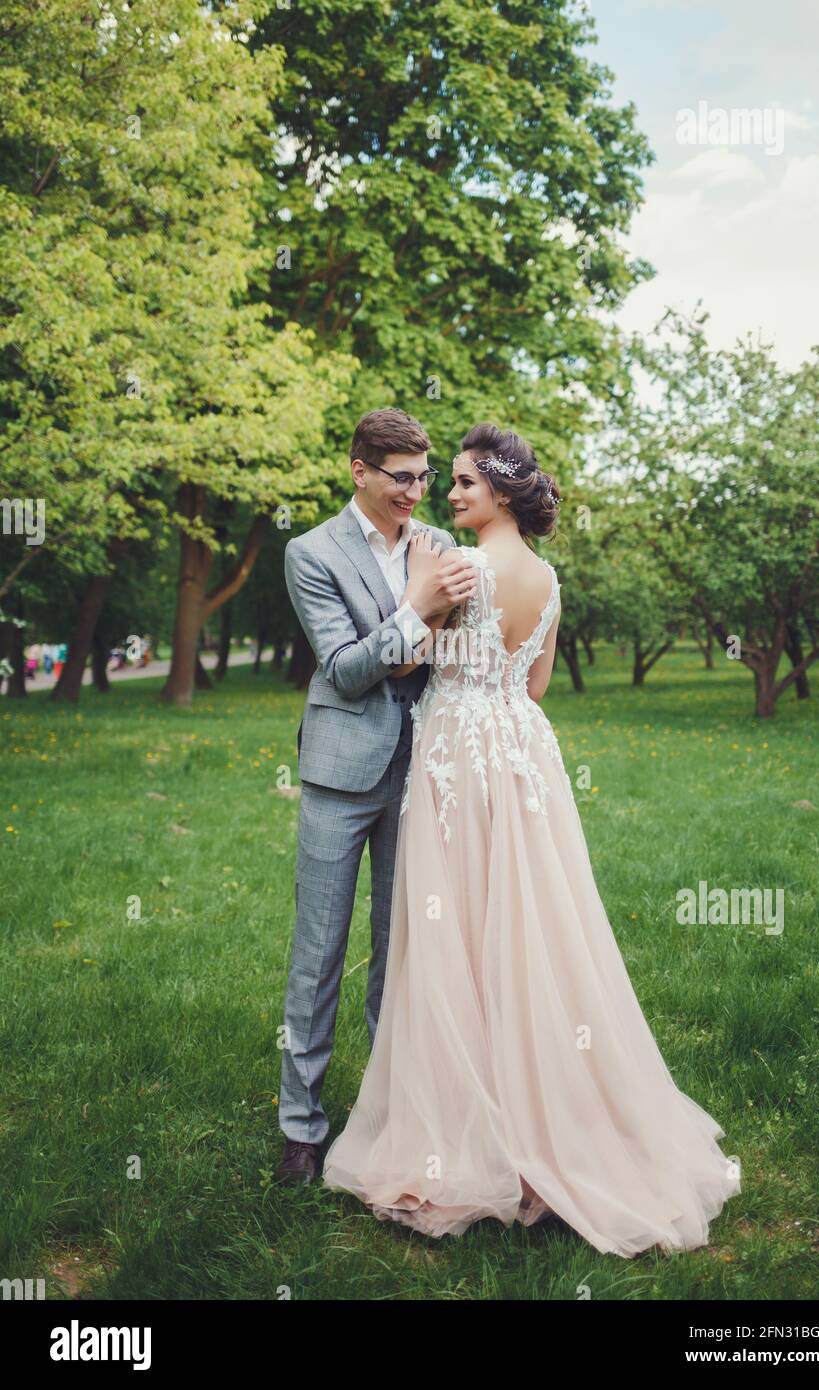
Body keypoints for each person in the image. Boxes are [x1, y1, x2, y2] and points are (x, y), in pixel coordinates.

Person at [320, 422, 742, 1257]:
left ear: (502, 494)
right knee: (535, 929)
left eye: (466, 484)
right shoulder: (548, 579)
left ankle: (465, 1136)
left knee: (452, 935)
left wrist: (433, 638)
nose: (451, 494)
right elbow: (538, 683)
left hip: (455, 757)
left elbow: (408, 665)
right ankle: (553, 1113)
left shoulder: (455, 569)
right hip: (520, 757)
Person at [274, 408, 479, 1186]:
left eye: (425, 477)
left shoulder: (442, 546)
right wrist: (419, 609)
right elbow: (346, 668)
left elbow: (447, 657)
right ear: (358, 469)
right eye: (402, 477)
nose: (417, 492)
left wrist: (410, 637)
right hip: (338, 773)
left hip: (423, 767)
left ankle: (393, 1116)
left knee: (403, 949)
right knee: (318, 952)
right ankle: (300, 1126)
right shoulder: (310, 552)